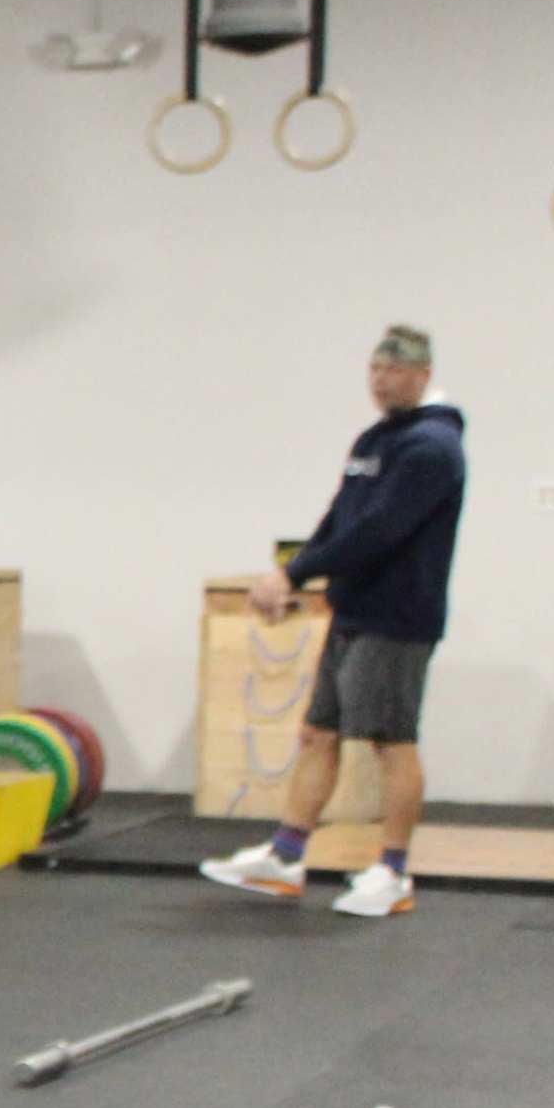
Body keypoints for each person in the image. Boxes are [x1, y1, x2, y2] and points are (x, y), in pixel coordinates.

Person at [200, 325, 467, 920]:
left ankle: (392, 873)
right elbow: (340, 518)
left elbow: (379, 532)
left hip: (398, 619)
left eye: (395, 370)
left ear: (423, 375)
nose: (381, 379)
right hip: (353, 611)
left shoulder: (432, 447)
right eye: (375, 368)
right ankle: (286, 857)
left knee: (391, 742)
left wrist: (294, 579)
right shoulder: (376, 438)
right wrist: (293, 573)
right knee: (318, 733)